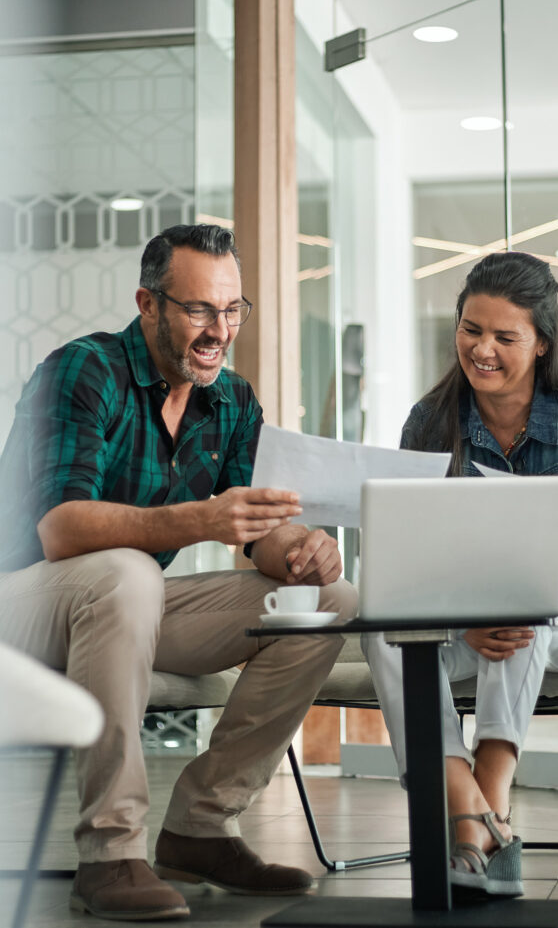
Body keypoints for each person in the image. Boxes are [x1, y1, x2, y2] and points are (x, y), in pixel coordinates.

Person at [0, 225, 358, 921]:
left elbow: (251, 525)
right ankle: (110, 850)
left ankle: (200, 826)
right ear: (148, 304)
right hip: (19, 603)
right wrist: (202, 519)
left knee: (328, 601)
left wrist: (299, 549)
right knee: (128, 571)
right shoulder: (83, 371)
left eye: (231, 310)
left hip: (120, 603)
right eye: (198, 309)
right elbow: (61, 527)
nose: (217, 330)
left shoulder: (230, 401)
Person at [362, 250, 558, 896]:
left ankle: (485, 801)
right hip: (477, 613)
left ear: (542, 341)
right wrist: (462, 615)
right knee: (382, 627)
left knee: (519, 592)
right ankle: (467, 812)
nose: (482, 349)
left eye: (504, 336)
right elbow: (416, 546)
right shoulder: (430, 419)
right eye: (471, 330)